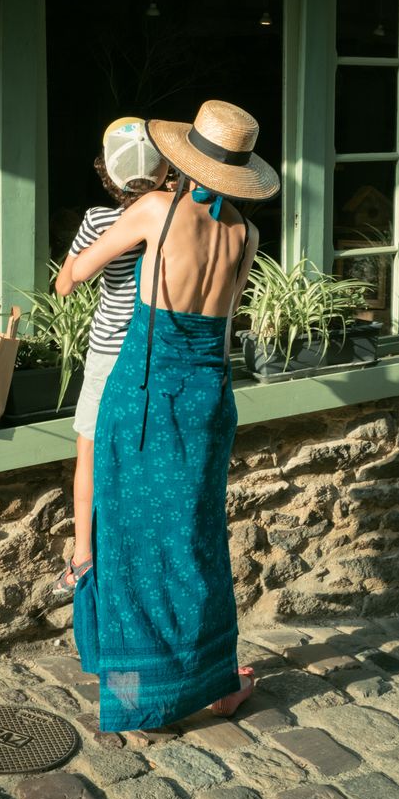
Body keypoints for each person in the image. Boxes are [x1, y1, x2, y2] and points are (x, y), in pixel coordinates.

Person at [69, 100, 279, 729]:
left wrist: (75, 267)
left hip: (144, 393)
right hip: (208, 396)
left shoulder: (154, 209)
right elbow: (223, 322)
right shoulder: (246, 234)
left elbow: (75, 274)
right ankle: (216, 682)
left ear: (182, 161)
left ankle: (138, 695)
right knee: (196, 541)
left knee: (128, 541)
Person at [51, 118, 169, 595]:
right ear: (163, 172)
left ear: (108, 173)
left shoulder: (100, 220)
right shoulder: (173, 217)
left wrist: (75, 265)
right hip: (153, 350)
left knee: (89, 450)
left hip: (107, 352)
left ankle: (83, 557)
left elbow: (65, 284)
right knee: (146, 451)